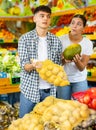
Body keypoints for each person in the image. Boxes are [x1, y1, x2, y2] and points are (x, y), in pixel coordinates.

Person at [18, 5, 62, 118]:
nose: (45, 19)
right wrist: (35, 65)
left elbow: (58, 66)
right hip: (30, 91)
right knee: (24, 123)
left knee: (48, 124)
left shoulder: (56, 40)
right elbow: (24, 65)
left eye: (48, 16)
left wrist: (65, 60)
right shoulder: (24, 39)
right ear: (34, 19)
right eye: (41, 16)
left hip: (50, 91)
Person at [57, 14, 93, 100]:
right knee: (64, 108)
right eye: (72, 23)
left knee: (80, 107)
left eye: (79, 24)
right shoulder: (60, 40)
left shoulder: (87, 43)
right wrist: (64, 60)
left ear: (84, 28)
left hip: (79, 80)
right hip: (63, 79)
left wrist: (77, 61)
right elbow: (56, 64)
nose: (74, 26)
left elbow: (81, 68)